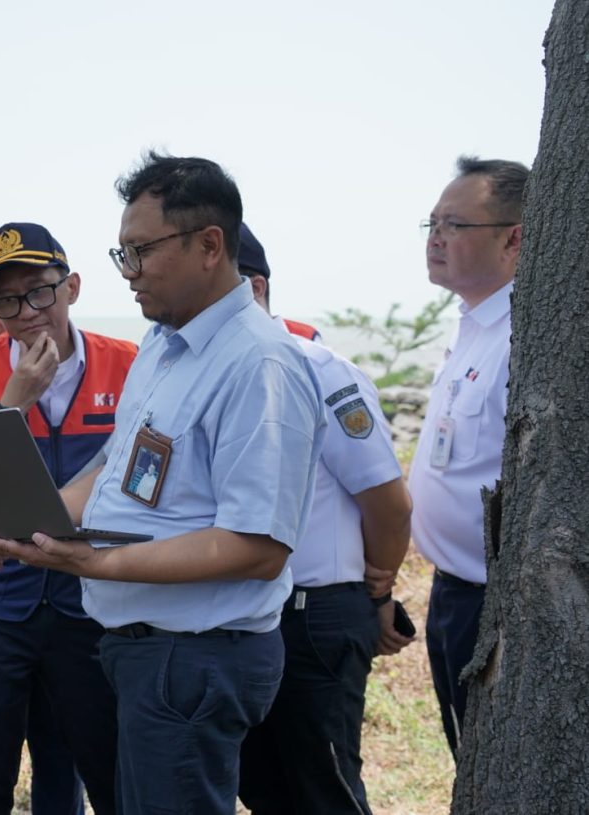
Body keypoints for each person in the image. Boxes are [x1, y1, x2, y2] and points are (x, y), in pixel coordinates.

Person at [0, 153, 327, 815]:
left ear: (209, 245)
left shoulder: (259, 363)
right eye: (123, 253)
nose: (129, 273)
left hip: (194, 658)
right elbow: (114, 469)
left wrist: (96, 560)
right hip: (144, 653)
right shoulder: (164, 347)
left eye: (141, 252)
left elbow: (258, 547)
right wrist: (33, 522)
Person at [0, 223, 136, 815]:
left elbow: (138, 478)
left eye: (40, 291)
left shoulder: (131, 367)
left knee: (100, 768)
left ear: (71, 286)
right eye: (7, 300)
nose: (26, 312)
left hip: (92, 603)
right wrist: (12, 403)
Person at [236, 224, 414, 814]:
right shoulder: (214, 377)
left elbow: (386, 501)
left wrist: (381, 584)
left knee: (325, 785)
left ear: (255, 288)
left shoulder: (320, 370)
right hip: (246, 617)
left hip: (317, 614)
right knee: (263, 786)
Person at [408, 156, 527, 757]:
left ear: (514, 237)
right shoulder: (474, 324)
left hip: (499, 604)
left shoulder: (524, 334)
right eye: (431, 223)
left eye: (454, 225)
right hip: (453, 588)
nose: (435, 238)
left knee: (498, 764)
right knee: (471, 760)